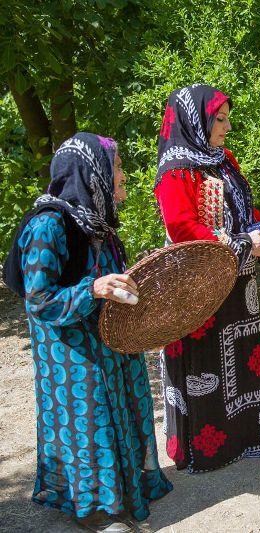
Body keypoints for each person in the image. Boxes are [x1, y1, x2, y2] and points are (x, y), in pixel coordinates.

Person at [4, 133, 172, 532]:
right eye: (114, 166)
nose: (121, 175)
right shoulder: (50, 225)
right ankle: (97, 510)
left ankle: (124, 491)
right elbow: (40, 300)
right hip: (71, 352)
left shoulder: (98, 223)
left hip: (108, 339)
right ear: (90, 172)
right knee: (89, 420)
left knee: (125, 407)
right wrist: (92, 289)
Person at [154, 85, 260, 472]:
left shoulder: (223, 160)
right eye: (219, 119)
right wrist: (246, 242)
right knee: (205, 362)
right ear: (196, 122)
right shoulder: (176, 171)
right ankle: (207, 447)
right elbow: (182, 229)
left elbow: (242, 206)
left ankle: (245, 434)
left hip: (238, 280)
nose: (227, 126)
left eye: (227, 117)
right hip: (197, 282)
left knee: (242, 355)